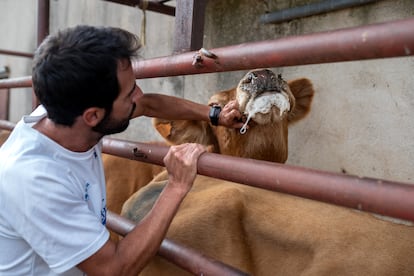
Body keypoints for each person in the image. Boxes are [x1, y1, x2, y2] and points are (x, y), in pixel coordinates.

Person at [0, 25, 244, 275]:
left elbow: (148, 103)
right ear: (93, 116)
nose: (138, 95)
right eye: (129, 93)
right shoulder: (34, 179)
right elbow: (114, 269)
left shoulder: (65, 116)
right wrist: (176, 185)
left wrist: (214, 114)